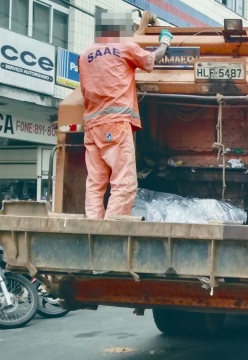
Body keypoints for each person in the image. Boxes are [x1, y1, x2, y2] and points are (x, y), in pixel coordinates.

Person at [78, 10, 173, 219]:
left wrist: (141, 27)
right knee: (124, 183)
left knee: (95, 183)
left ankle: (92, 229)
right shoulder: (125, 47)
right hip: (116, 124)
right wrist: (164, 42)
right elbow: (151, 60)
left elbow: (84, 90)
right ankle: (112, 232)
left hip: (92, 126)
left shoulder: (85, 55)